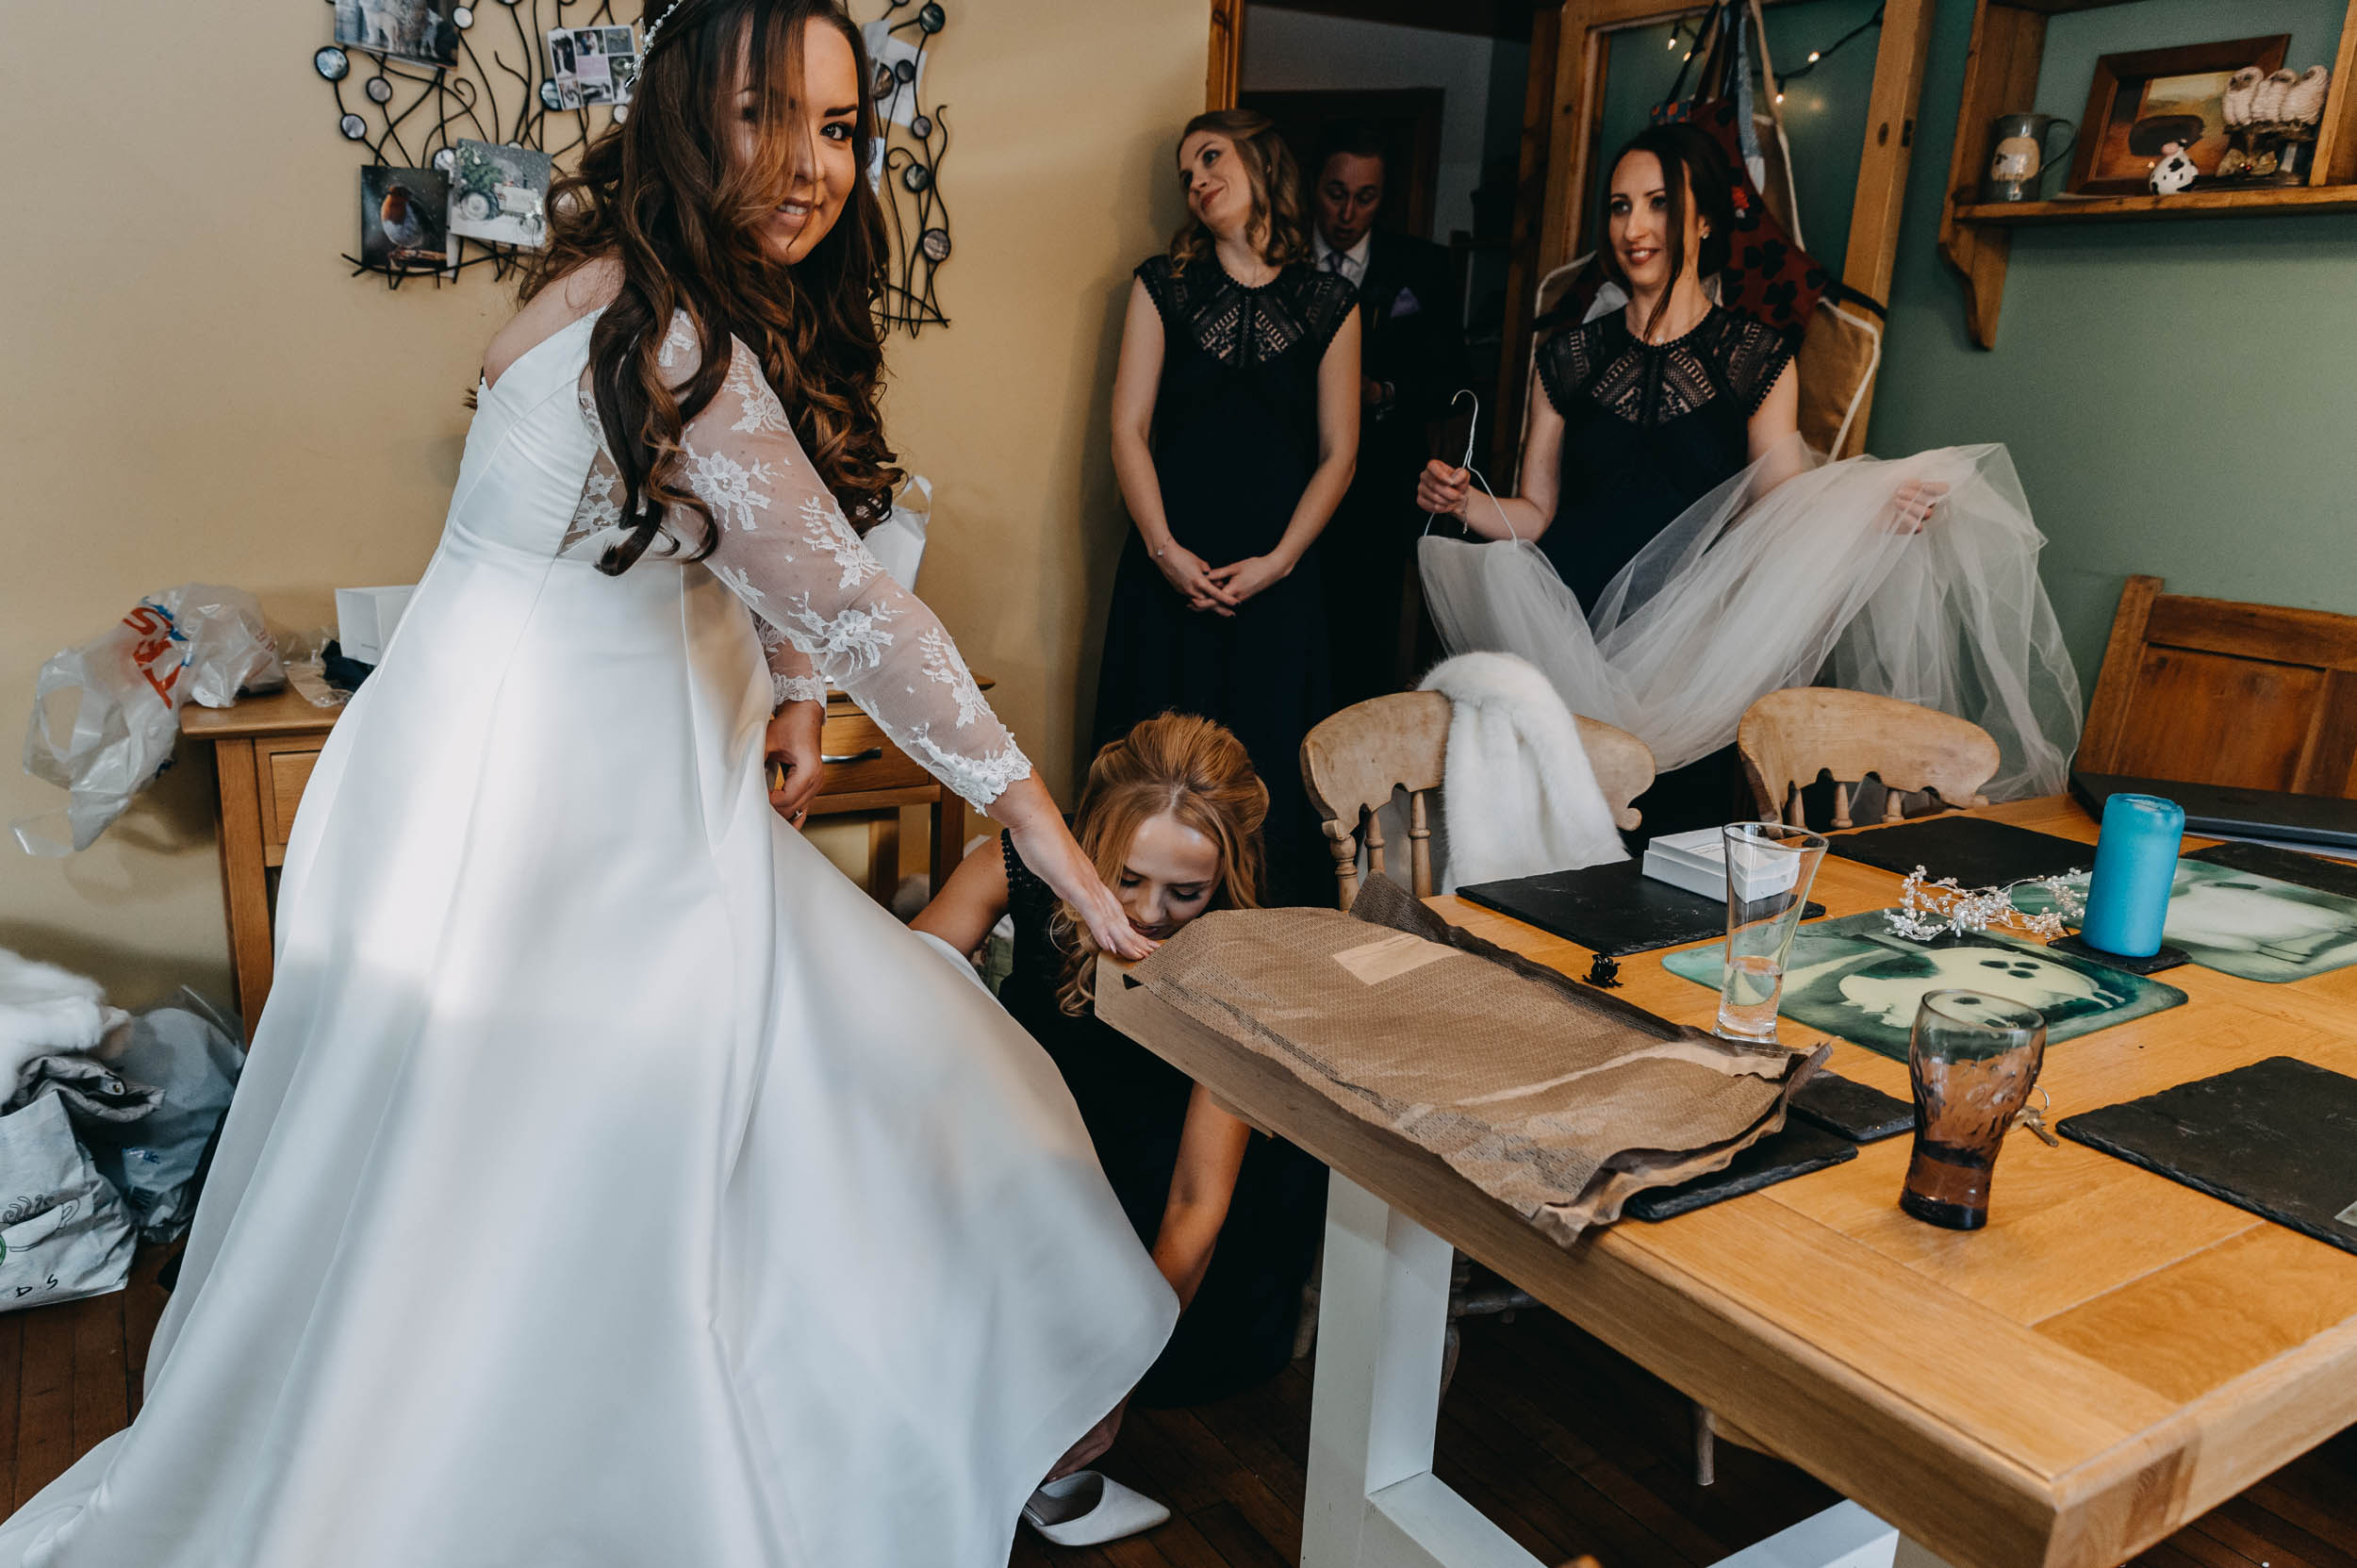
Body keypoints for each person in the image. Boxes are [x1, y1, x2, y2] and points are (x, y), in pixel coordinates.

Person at [0, 6, 1178, 1564]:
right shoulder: (679, 341)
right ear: (689, 115)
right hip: (559, 820)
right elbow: (850, 596)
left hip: (501, 776)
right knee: (665, 1138)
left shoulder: (608, 290)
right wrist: (1046, 833)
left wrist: (794, 691)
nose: (813, 165)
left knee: (717, 1117)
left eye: (839, 127)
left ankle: (841, 1437)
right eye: (770, 117)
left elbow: (730, 537)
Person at [1413, 125, 2079, 814]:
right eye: (1619, 206)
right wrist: (1463, 502)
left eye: (1659, 204)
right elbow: (1536, 512)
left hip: (1685, 661)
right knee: (1546, 836)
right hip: (1563, 637)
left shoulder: (1755, 358)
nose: (1634, 228)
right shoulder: (1566, 355)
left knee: (1668, 846)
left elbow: (1782, 500)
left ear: (1704, 220)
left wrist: (1870, 509)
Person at [915, 714, 1327, 1543]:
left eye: (1186, 892)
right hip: (1040, 1168)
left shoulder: (1240, 960)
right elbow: (897, 989)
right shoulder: (1015, 866)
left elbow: (1196, 1204)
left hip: (1166, 1239)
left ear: (1227, 876)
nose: (1148, 912)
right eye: (1127, 878)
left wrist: (1115, 1378)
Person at [1092, 108, 1362, 905]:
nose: (1197, 181)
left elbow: (1340, 453)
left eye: (1211, 158)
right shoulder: (1162, 285)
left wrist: (1279, 562)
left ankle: (1261, 957)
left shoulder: (1331, 301)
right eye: (1186, 174)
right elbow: (1127, 428)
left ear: (1261, 161)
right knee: (1146, 781)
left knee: (1271, 778)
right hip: (1169, 577)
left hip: (1277, 587)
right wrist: (1163, 549)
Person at [1307, 122, 1468, 708]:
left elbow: (1452, 380)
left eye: (1365, 197)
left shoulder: (1422, 267)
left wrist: (1383, 392)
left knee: (1367, 635)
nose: (1348, 213)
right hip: (1295, 471)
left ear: (1384, 197)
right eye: (1336, 193)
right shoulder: (1281, 259)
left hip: (1380, 485)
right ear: (1314, 186)